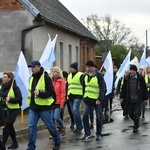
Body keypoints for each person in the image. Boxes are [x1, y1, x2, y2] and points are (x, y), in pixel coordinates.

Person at [26, 60, 61, 150]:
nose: (32, 69)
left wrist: (40, 94)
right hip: (33, 107)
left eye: (33, 67)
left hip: (44, 108)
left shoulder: (46, 78)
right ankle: (31, 147)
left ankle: (57, 140)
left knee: (50, 125)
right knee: (31, 126)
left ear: (38, 67)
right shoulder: (31, 78)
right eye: (31, 68)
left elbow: (51, 93)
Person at [79, 60, 105, 141]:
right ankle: (87, 133)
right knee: (85, 115)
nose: (87, 69)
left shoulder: (99, 76)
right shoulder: (84, 76)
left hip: (97, 100)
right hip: (87, 99)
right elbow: (84, 86)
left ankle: (98, 134)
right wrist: (83, 96)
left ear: (93, 67)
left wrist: (100, 99)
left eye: (89, 67)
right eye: (86, 67)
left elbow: (102, 88)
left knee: (98, 116)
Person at [120, 65, 148, 133]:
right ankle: (136, 122)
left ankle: (136, 126)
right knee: (130, 113)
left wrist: (146, 98)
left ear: (136, 71)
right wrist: (122, 97)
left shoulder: (140, 78)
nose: (132, 72)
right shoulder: (127, 78)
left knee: (137, 113)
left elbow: (144, 88)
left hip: (138, 98)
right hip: (129, 98)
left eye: (133, 70)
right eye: (131, 70)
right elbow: (123, 88)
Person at [0, 72, 22, 149]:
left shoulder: (15, 87)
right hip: (4, 111)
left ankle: (2, 145)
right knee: (10, 127)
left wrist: (11, 99)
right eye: (3, 77)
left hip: (13, 110)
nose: (3, 78)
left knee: (6, 126)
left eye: (5, 77)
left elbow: (19, 98)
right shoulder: (1, 87)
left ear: (10, 78)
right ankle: (15, 143)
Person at [67, 62, 83, 133]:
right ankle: (78, 126)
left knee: (75, 110)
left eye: (71, 68)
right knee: (73, 112)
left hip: (78, 95)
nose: (70, 69)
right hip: (70, 96)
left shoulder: (81, 75)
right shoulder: (69, 75)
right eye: (70, 68)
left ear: (75, 69)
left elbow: (84, 85)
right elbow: (67, 85)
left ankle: (80, 126)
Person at [51, 66, 66, 136]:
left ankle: (63, 127)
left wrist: (62, 103)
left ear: (58, 73)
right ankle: (54, 133)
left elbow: (63, 92)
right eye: (52, 71)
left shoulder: (61, 81)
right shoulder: (51, 81)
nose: (53, 73)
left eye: (55, 72)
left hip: (58, 102)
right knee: (51, 119)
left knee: (56, 117)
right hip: (51, 102)